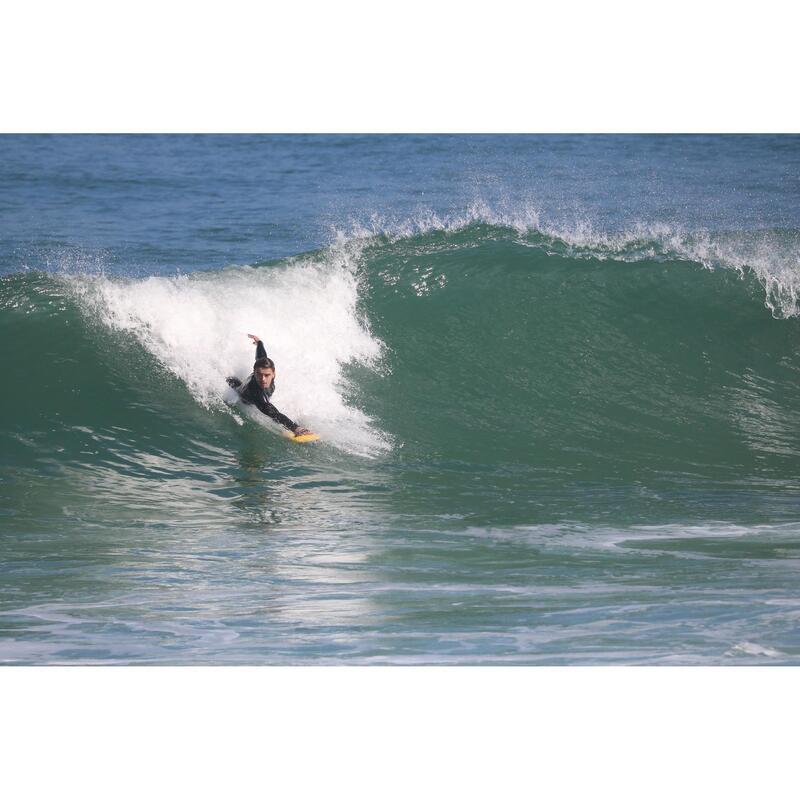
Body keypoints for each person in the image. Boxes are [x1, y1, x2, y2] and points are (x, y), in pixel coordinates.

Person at [226, 334, 311, 436]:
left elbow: (261, 356)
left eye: (267, 375)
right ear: (254, 371)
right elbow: (272, 412)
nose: (263, 379)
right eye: (259, 375)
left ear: (274, 374)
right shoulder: (257, 394)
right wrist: (295, 428)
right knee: (231, 381)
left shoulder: (263, 366)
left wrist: (259, 343)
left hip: (247, 386)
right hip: (243, 394)